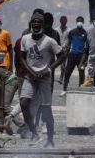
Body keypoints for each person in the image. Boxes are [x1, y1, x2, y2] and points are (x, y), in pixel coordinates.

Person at [19, 12, 64, 148]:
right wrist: (30, 71)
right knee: (23, 102)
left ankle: (50, 140)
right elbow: (22, 57)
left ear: (43, 25)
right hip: (30, 77)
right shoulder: (25, 39)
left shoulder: (49, 41)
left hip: (44, 79)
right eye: (34, 22)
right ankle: (34, 132)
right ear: (31, 24)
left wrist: (48, 69)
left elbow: (62, 56)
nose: (36, 24)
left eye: (39, 22)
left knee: (46, 110)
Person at [61, 16, 88, 96]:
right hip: (72, 55)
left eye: (81, 21)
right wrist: (65, 56)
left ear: (83, 23)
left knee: (81, 73)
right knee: (67, 72)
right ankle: (64, 89)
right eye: (78, 21)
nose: (80, 22)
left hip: (81, 56)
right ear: (76, 22)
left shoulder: (85, 33)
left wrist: (85, 60)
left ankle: (80, 88)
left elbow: (87, 47)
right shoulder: (72, 32)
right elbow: (69, 44)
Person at [56, 15, 70, 85]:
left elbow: (69, 40)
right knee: (58, 63)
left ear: (66, 21)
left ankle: (62, 78)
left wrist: (67, 48)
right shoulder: (56, 30)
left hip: (65, 49)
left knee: (63, 64)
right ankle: (65, 77)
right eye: (62, 20)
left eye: (65, 21)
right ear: (60, 21)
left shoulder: (69, 30)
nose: (63, 22)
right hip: (57, 49)